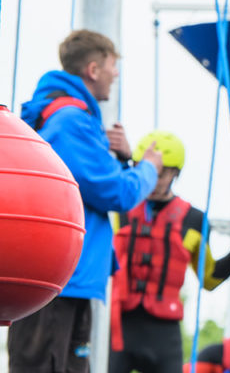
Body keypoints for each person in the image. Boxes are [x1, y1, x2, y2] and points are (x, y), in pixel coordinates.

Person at [10, 30, 163, 373]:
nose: (116, 74)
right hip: (60, 279)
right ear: (93, 69)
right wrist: (149, 169)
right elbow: (115, 193)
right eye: (112, 66)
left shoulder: (64, 119)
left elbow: (93, 184)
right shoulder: (72, 123)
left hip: (65, 279)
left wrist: (124, 158)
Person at [109, 132, 230, 373]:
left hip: (164, 334)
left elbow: (210, 278)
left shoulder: (194, 220)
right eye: (146, 170)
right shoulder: (120, 208)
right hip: (121, 327)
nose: (153, 180)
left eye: (161, 173)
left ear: (175, 174)